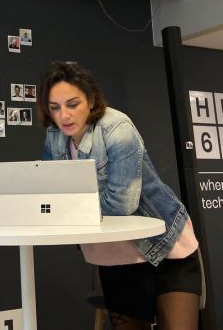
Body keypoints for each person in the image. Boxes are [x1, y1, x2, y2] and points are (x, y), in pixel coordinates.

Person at [37, 61, 201, 330]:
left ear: (90, 100)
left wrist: (67, 206)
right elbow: (46, 186)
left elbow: (122, 203)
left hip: (165, 248)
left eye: (73, 103)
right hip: (115, 258)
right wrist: (11, 198)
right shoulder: (54, 137)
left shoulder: (116, 127)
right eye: (55, 107)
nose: (64, 115)